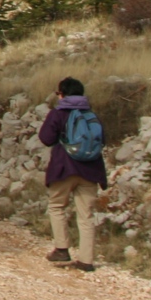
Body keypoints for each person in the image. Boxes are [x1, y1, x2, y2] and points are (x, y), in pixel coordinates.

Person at [38, 76, 106, 271]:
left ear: (62, 94)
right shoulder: (91, 114)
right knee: (86, 215)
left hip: (64, 168)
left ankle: (62, 249)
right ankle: (86, 260)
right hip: (91, 170)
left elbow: (46, 138)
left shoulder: (58, 114)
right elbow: (103, 140)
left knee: (57, 206)